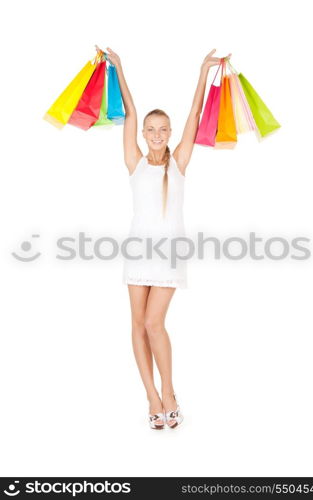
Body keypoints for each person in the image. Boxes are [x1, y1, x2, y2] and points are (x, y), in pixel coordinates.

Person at [104, 46, 221, 429]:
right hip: (138, 252)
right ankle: (151, 398)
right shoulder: (134, 163)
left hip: (168, 254)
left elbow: (195, 114)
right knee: (136, 325)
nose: (156, 134)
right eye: (150, 130)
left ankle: (168, 390)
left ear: (169, 134)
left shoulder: (179, 162)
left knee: (155, 323)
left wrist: (203, 72)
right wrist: (118, 67)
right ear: (143, 134)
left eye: (162, 130)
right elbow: (131, 112)